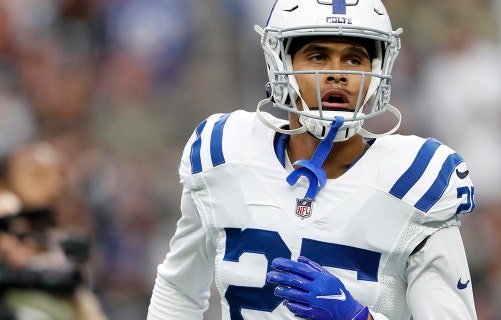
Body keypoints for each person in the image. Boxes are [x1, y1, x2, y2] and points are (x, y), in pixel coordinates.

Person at [148, 0, 477, 319]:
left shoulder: (416, 182)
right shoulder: (225, 153)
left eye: (353, 59)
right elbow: (179, 289)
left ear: (378, 70)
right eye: (318, 56)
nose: (337, 74)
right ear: (281, 63)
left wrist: (358, 319)